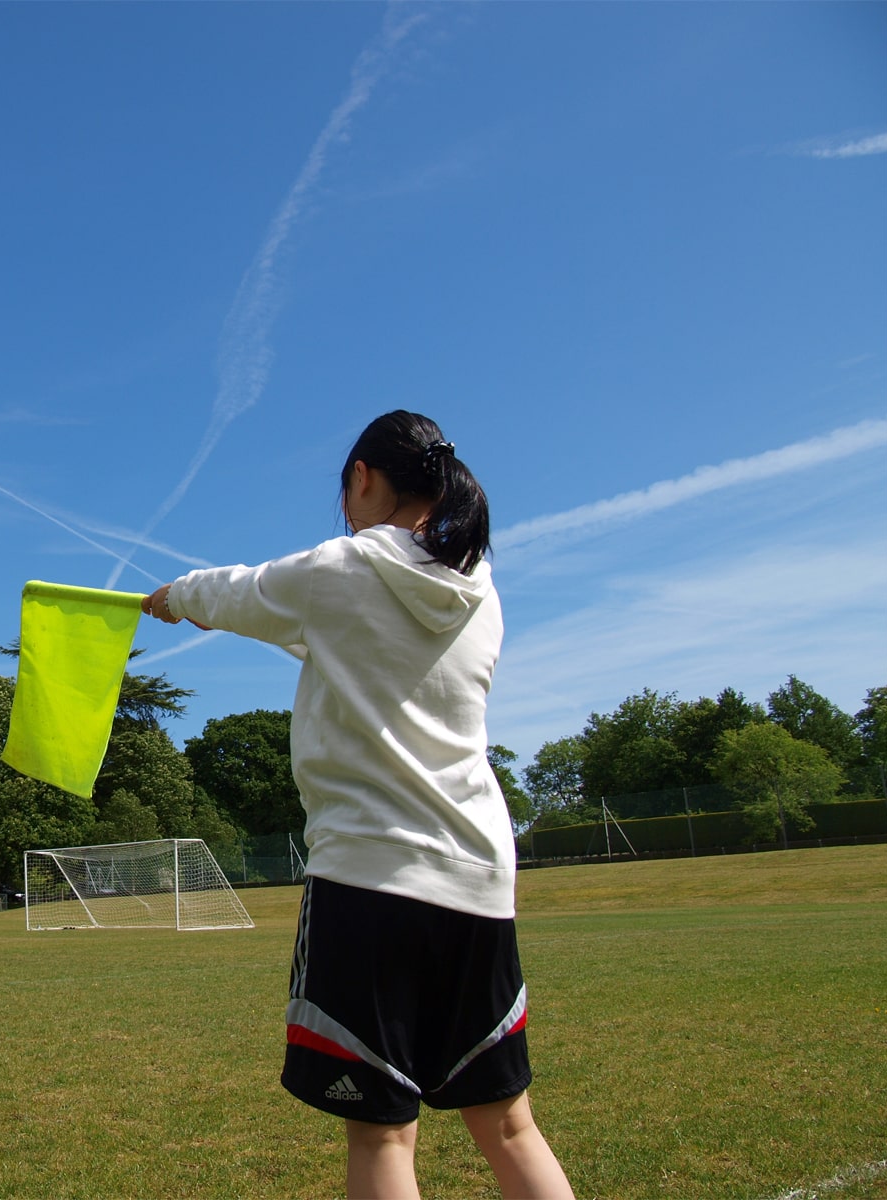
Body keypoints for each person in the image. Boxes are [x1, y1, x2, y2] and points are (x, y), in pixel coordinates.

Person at [142, 411, 572, 1200]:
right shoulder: (480, 591)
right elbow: (334, 633)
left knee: (382, 1135)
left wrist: (172, 598)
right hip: (479, 881)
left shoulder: (338, 567)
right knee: (510, 1125)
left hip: (370, 880)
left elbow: (237, 592)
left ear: (363, 479)